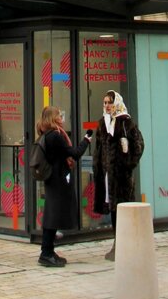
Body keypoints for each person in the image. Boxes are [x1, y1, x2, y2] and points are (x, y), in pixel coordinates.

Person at [36, 106, 92, 267]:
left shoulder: (47, 134)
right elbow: (74, 153)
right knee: (52, 215)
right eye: (59, 115)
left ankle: (48, 250)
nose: (62, 117)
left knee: (53, 213)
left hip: (54, 178)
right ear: (53, 118)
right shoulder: (55, 136)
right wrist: (86, 140)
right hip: (58, 179)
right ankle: (46, 253)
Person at [92, 90, 144, 261]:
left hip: (121, 178)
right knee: (113, 210)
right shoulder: (102, 124)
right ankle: (117, 243)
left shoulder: (125, 123)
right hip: (107, 177)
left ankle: (125, 245)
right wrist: (98, 167)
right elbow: (98, 150)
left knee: (123, 209)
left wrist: (127, 163)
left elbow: (138, 146)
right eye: (105, 103)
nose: (107, 106)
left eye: (110, 102)